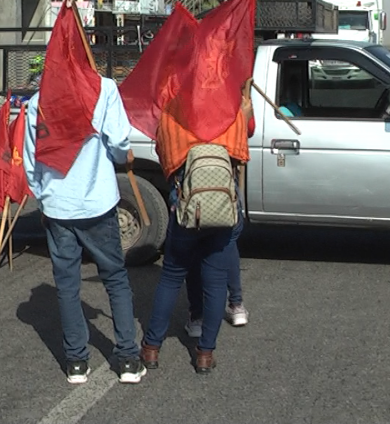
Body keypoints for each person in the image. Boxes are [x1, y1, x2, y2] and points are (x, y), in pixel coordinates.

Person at [23, 76, 147, 385]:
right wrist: (120, 156)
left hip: (58, 204)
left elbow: (30, 159)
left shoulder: (39, 100)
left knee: (67, 285)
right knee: (115, 278)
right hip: (97, 200)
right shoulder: (103, 88)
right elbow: (119, 142)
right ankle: (128, 358)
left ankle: (76, 362)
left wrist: (42, 197)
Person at [141, 81, 255, 374]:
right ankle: (205, 353)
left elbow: (162, 149)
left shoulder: (174, 109)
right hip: (221, 208)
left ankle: (151, 348)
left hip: (186, 207)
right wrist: (245, 104)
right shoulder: (230, 110)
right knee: (216, 282)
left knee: (171, 276)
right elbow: (246, 137)